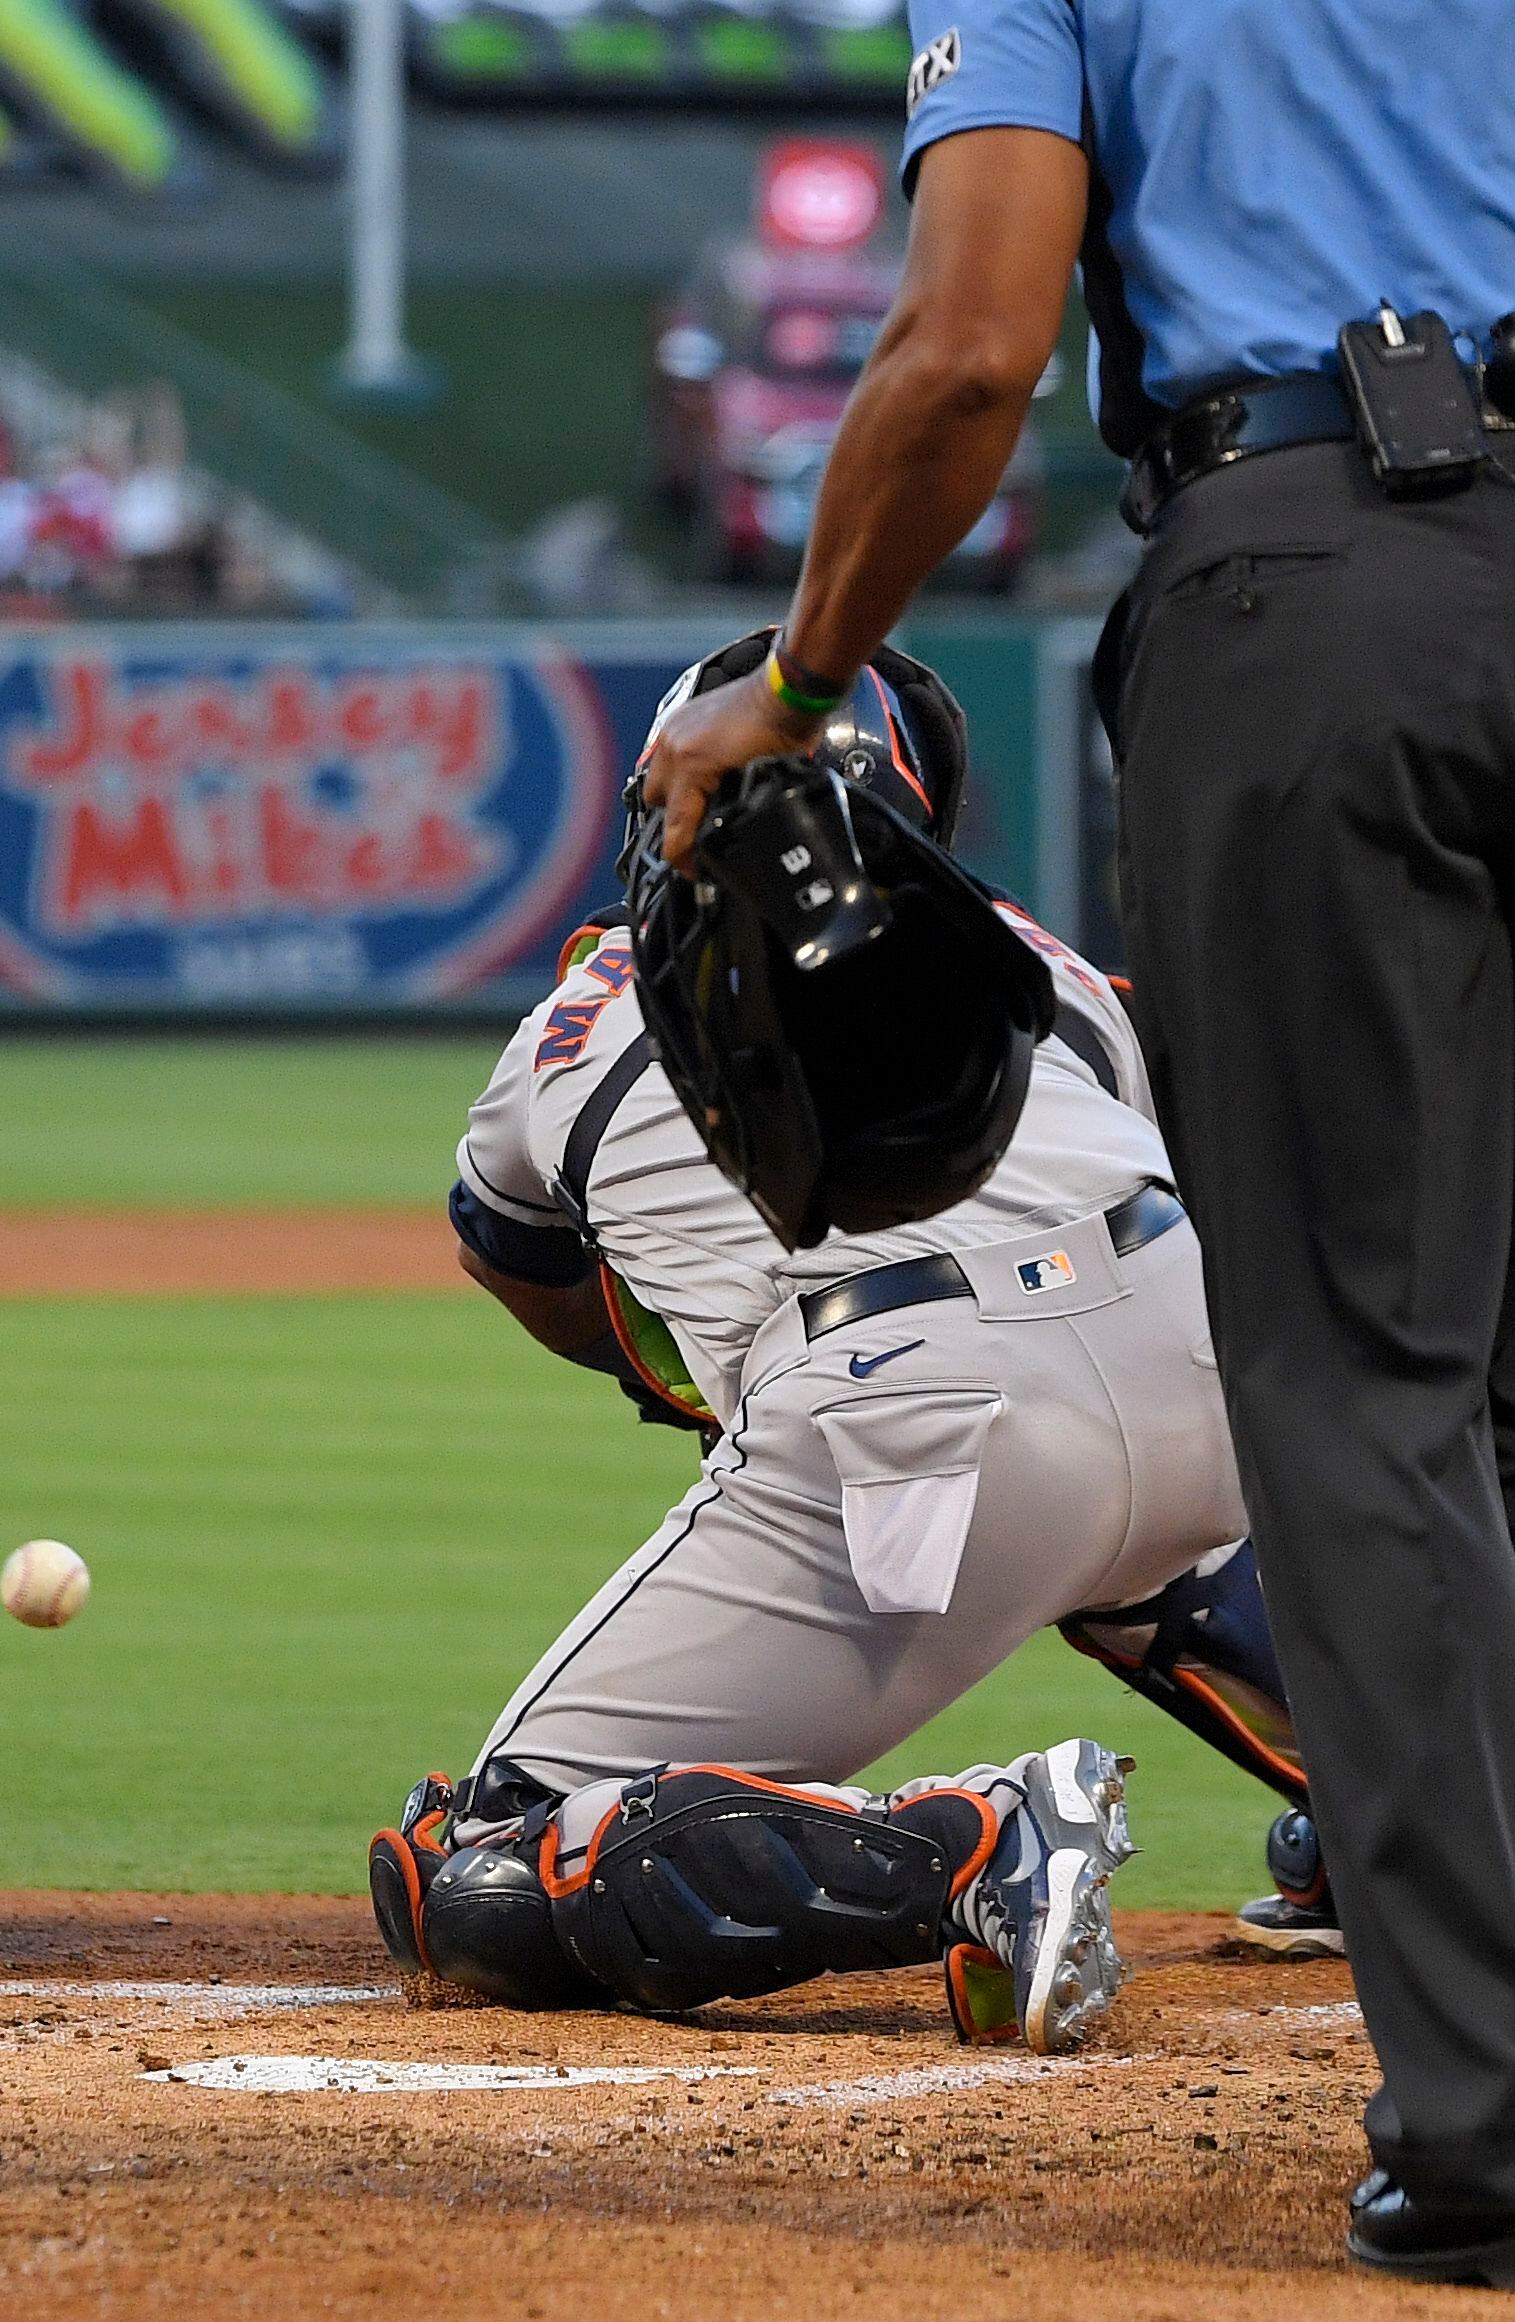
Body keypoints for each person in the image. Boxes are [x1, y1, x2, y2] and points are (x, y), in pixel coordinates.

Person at [629, 3, 1515, 2277]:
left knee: (1355, 1379)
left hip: (1321, 591)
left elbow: (964, 348)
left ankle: (1489, 2120)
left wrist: (803, 679)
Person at [375, 637, 1310, 2053]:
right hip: (1204, 1356)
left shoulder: (578, 1014)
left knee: (481, 1867)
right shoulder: (1033, 964)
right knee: (1135, 1525)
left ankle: (965, 1848)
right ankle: (1416, 1807)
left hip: (914, 1422)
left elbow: (519, 1261)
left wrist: (698, 1377)